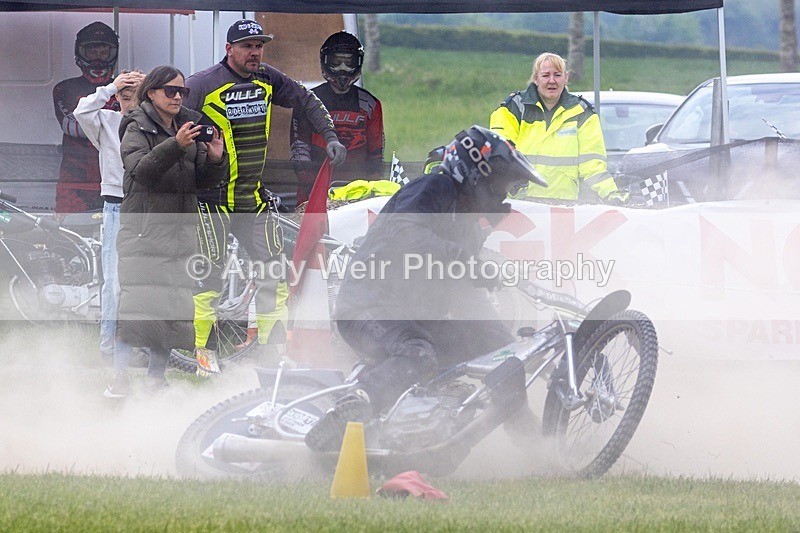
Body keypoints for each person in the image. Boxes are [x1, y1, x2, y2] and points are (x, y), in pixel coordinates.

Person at [305, 125, 547, 452]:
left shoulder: (467, 224)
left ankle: (530, 446)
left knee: (503, 353)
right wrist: (466, 261)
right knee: (418, 353)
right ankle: (356, 403)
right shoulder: (435, 188)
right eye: (501, 184)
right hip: (368, 308)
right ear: (478, 174)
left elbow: (465, 297)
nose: (503, 195)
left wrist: (506, 351)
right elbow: (407, 235)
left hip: (413, 317)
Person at [183, 19, 346, 376]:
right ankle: (203, 353)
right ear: (229, 49)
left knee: (273, 275)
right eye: (248, 46)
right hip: (213, 200)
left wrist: (330, 136)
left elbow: (307, 99)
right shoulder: (201, 83)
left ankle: (274, 355)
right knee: (208, 279)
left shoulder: (269, 77)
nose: (255, 52)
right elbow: (175, 127)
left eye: (259, 46)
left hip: (253, 199)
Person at [117, 66, 227, 392]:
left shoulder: (189, 125)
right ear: (151, 92)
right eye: (170, 90)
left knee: (173, 308)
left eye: (183, 91)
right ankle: (119, 376)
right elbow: (141, 172)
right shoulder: (135, 125)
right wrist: (175, 146)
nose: (178, 96)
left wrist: (216, 159)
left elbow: (202, 182)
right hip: (145, 231)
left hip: (180, 232)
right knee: (136, 306)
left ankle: (155, 379)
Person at [73, 69, 146, 396]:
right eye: (126, 92)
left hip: (147, 205)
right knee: (115, 281)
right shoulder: (105, 120)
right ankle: (108, 347)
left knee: (142, 281)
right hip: (116, 204)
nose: (130, 98)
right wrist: (111, 87)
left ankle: (139, 346)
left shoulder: (153, 124)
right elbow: (80, 111)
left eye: (137, 92)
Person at [489, 52, 627, 203]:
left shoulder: (582, 111)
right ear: (536, 78)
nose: (552, 81)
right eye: (546, 75)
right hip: (521, 206)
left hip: (565, 208)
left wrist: (611, 194)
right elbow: (500, 153)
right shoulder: (514, 108)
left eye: (557, 75)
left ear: (566, 78)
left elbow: (592, 164)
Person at [290, 31, 385, 205]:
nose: (343, 69)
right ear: (325, 62)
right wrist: (315, 194)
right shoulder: (308, 102)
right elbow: (300, 153)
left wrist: (371, 193)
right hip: (314, 194)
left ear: (358, 64)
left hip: (358, 194)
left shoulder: (370, 104)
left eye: (349, 63)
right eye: (336, 62)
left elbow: (376, 157)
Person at [52, 21, 120, 214]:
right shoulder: (64, 89)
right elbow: (72, 127)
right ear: (80, 53)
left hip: (114, 179)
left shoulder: (125, 88)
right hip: (74, 180)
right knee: (68, 237)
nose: (98, 59)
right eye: (92, 52)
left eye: (103, 53)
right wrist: (114, 118)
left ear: (112, 54)